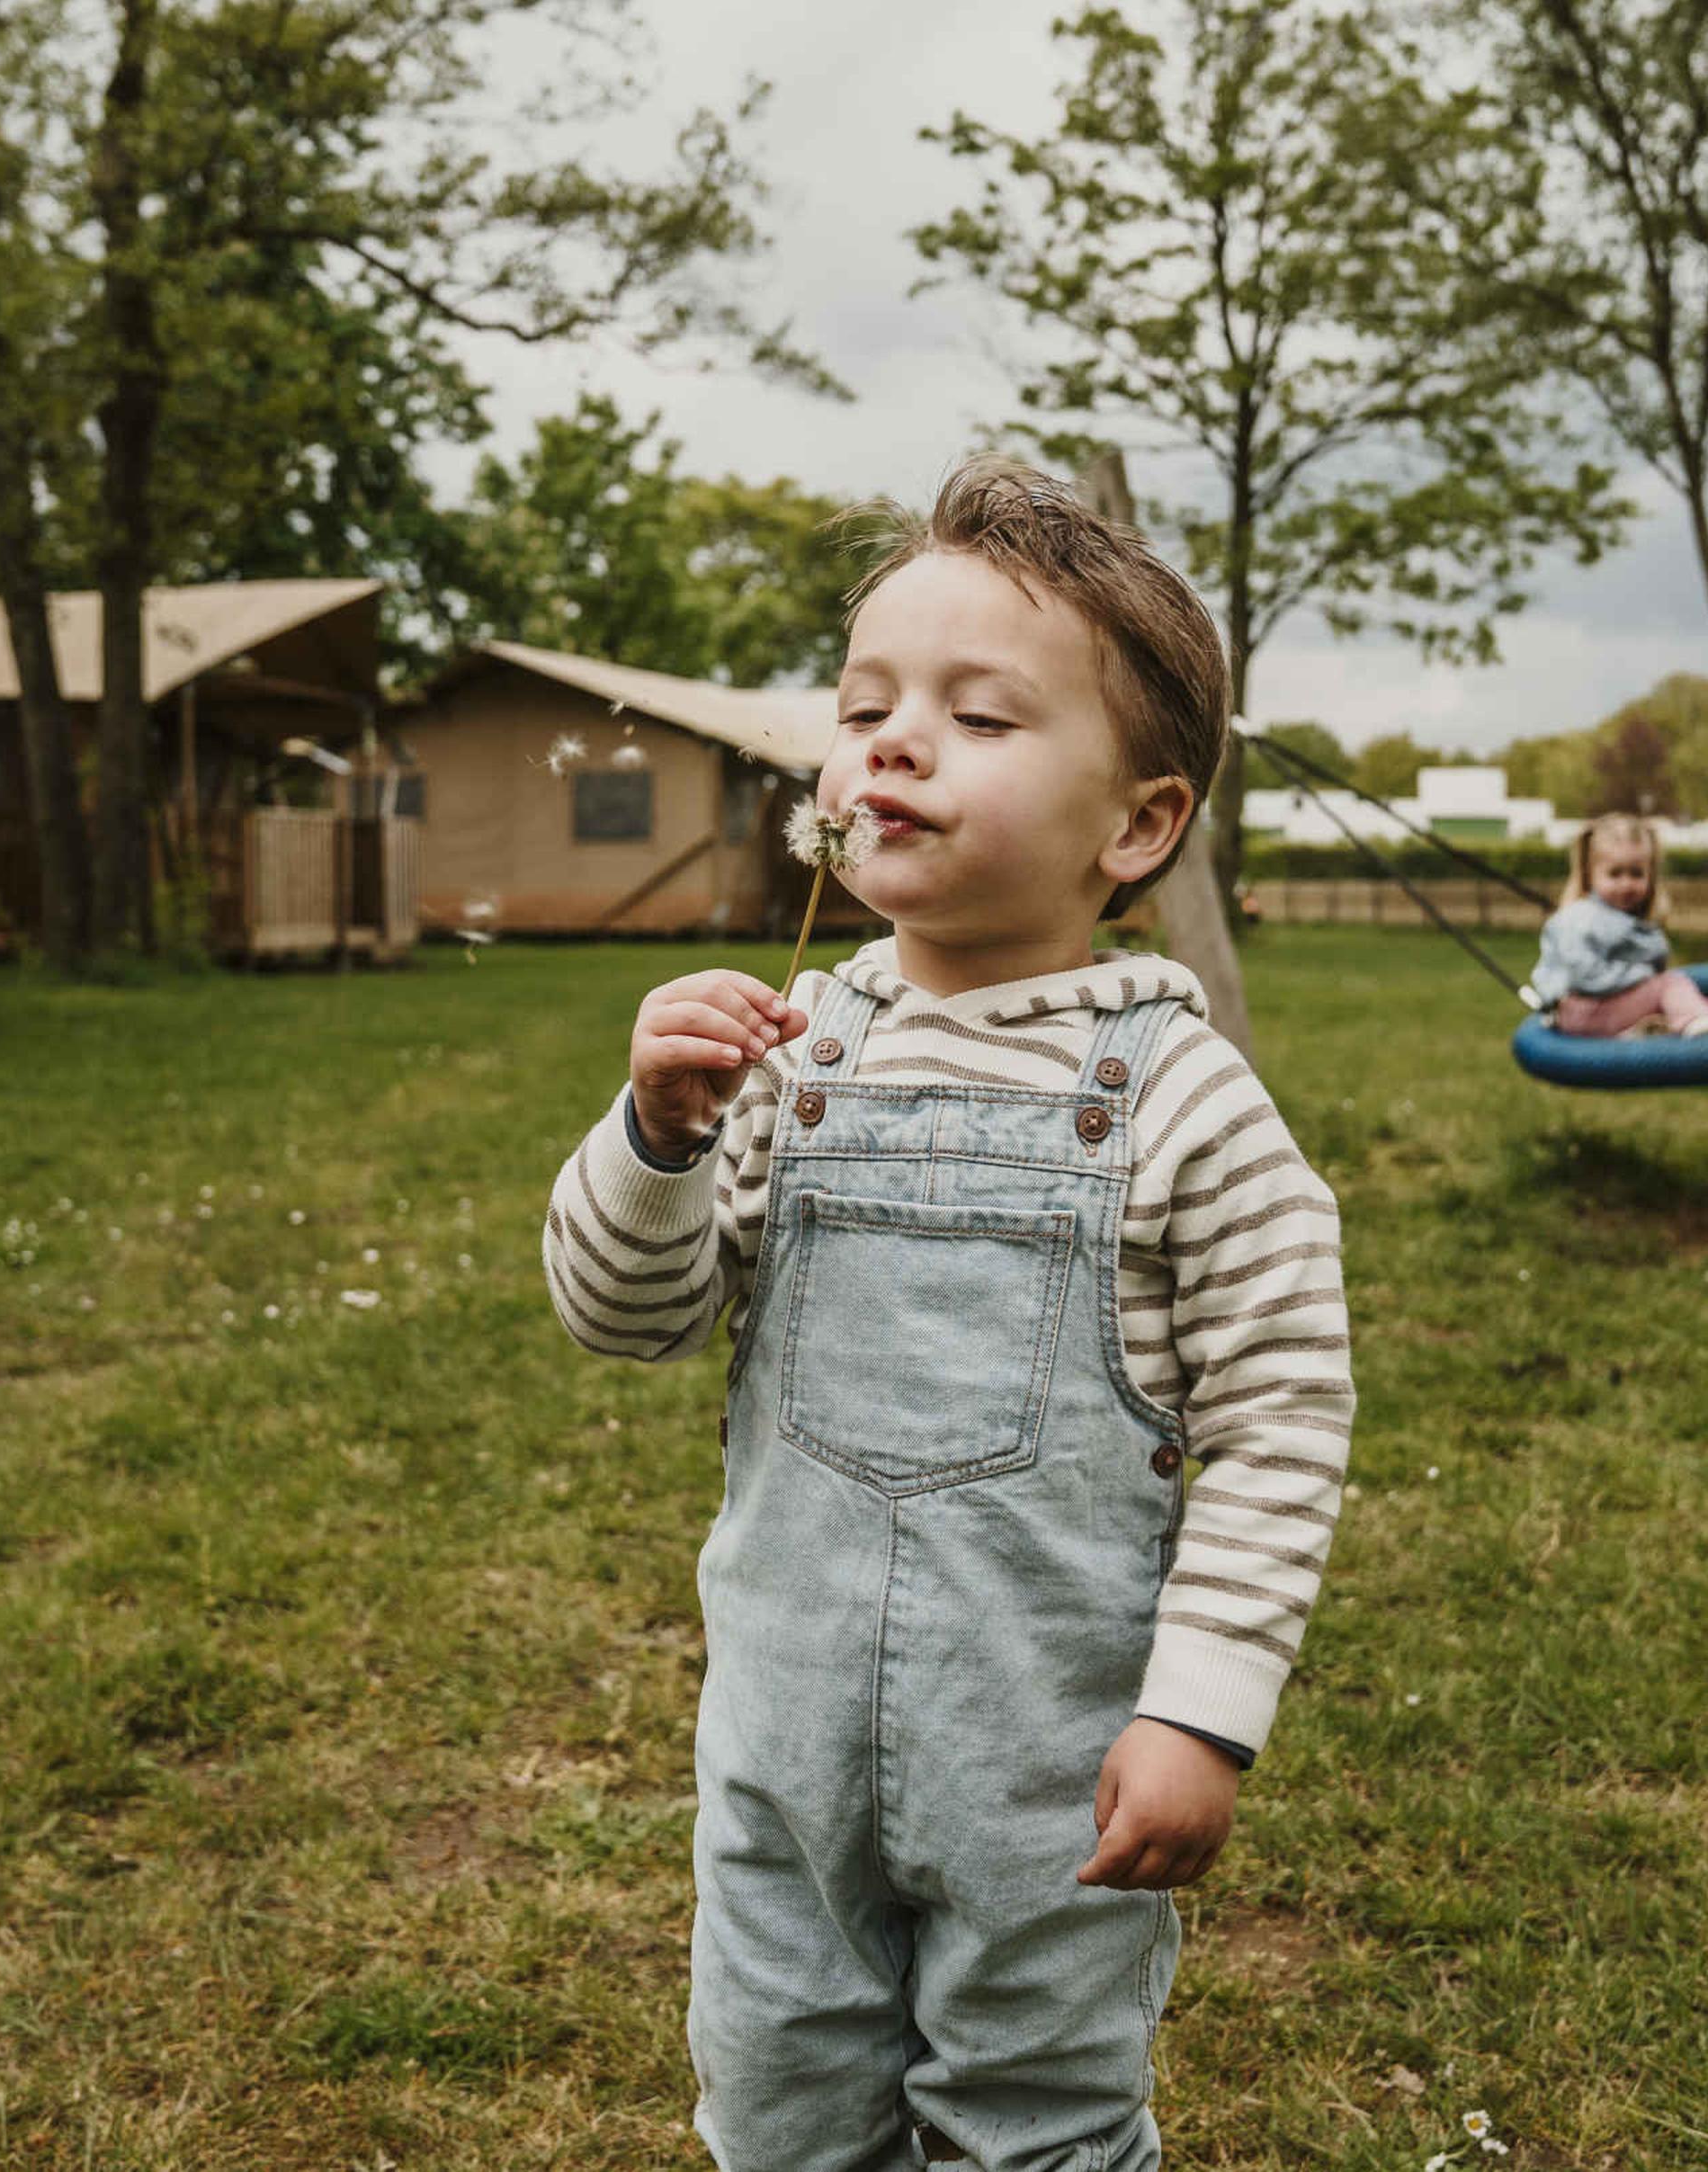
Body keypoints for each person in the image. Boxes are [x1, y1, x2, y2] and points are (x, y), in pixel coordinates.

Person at [543, 455, 1353, 2170]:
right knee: (776, 2108)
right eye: (865, 709)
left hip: (1047, 1781)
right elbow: (629, 1320)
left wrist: (1202, 1704)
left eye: (978, 719)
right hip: (782, 1755)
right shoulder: (790, 1057)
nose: (890, 747)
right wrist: (656, 1143)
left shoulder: (1180, 1101)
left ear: (1136, 824)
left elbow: (1284, 1415)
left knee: (1032, 2123)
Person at [1531, 814, 1708, 1038]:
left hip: (1587, 1013)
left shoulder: (1613, 917)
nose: (1626, 884)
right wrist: (1642, 974)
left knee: (1663, 991)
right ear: (1590, 874)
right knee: (1669, 984)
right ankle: (1696, 1021)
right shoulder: (1583, 919)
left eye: (1636, 873)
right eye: (1615, 873)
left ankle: (1639, 1030)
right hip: (1584, 1011)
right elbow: (1585, 976)